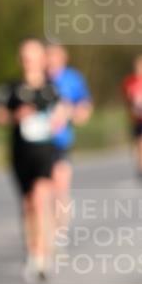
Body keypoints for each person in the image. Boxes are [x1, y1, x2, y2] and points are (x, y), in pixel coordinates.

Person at [0, 39, 67, 283]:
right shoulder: (10, 88)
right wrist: (15, 116)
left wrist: (59, 118)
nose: (28, 62)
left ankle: (42, 254)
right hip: (20, 153)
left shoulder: (51, 89)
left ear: (42, 59)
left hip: (45, 152)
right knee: (28, 205)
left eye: (33, 57)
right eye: (24, 57)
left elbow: (64, 112)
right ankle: (32, 249)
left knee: (40, 198)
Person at [45, 43, 92, 229]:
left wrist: (69, 112)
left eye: (54, 55)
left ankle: (60, 231)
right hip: (37, 142)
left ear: (63, 57)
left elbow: (84, 108)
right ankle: (43, 231)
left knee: (60, 186)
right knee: (41, 190)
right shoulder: (37, 78)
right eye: (47, 55)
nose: (50, 59)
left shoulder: (73, 79)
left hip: (60, 141)